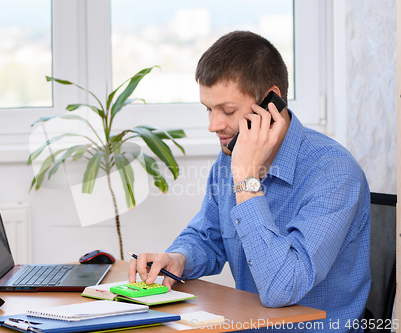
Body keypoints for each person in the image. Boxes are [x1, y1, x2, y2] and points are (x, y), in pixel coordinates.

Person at [129, 31, 371, 331]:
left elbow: (282, 287)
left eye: (227, 111)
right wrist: (179, 258)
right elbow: (208, 235)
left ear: (271, 102)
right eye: (208, 109)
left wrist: (246, 180)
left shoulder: (333, 173)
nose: (213, 125)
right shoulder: (230, 158)